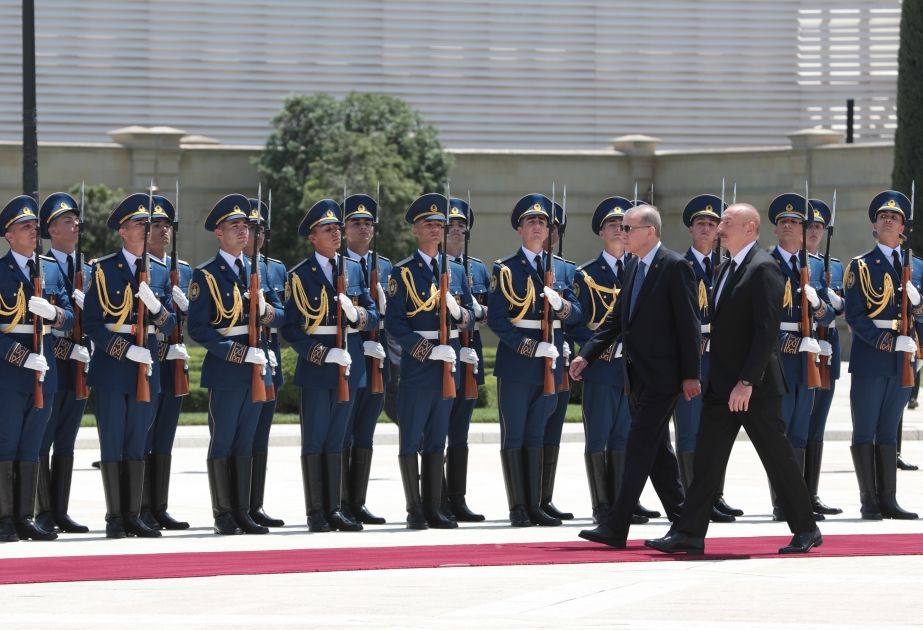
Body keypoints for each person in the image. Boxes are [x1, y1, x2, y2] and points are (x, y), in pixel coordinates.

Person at [644, 203, 823, 555]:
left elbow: (766, 330)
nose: (720, 227)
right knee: (708, 460)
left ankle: (806, 528)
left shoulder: (763, 268)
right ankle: (690, 532)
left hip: (753, 387)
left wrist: (747, 381)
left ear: (750, 229)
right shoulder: (726, 267)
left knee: (777, 458)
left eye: (727, 222)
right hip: (722, 384)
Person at [574, 204, 698, 548]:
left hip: (664, 377)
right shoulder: (633, 266)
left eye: (628, 229)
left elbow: (688, 325)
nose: (622, 234)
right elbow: (616, 319)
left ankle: (616, 526)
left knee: (638, 446)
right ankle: (686, 524)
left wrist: (690, 375)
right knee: (657, 454)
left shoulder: (675, 267)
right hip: (636, 376)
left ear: (650, 232)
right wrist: (587, 355)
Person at [282, 199, 379, 533]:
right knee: (316, 439)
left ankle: (335, 508)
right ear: (313, 237)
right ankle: (316, 511)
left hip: (349, 364)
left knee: (338, 438)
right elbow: (291, 328)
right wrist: (321, 354)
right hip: (318, 365)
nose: (336, 234)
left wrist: (358, 316)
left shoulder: (353, 270)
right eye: (328, 230)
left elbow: (373, 312)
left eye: (338, 228)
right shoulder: (299, 276)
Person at [83, 193, 177, 539]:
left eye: (147, 225)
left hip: (146, 368)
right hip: (112, 369)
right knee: (113, 440)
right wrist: (123, 349)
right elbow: (91, 323)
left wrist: (156, 308)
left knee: (137, 441)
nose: (145, 229)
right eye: (139, 224)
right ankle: (114, 518)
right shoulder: (104, 270)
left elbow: (169, 326)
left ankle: (133, 514)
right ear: (123, 231)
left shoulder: (160, 272)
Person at [187, 194, 282, 535]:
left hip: (257, 367)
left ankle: (243, 511)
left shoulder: (259, 269)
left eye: (245, 226)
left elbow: (281, 314)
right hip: (228, 370)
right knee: (224, 440)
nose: (243, 232)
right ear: (219, 233)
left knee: (246, 442)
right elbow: (198, 327)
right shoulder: (206, 275)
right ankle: (223, 513)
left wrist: (266, 310)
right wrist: (238, 353)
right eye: (234, 226)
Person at [488, 194, 582, 527]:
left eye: (543, 222)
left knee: (538, 434)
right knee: (514, 433)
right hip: (518, 363)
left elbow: (578, 314)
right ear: (520, 229)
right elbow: (498, 320)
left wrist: (562, 306)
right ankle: (518, 507)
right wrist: (529, 347)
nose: (539, 226)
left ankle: (536, 504)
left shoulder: (561, 269)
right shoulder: (505, 269)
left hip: (552, 360)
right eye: (532, 221)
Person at [385, 193, 476, 529]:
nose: (437, 230)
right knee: (411, 438)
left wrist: (459, 313)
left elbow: (469, 316)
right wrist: (424, 349)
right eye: (430, 225)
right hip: (419, 367)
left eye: (441, 225)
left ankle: (435, 507)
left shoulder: (454, 269)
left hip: (448, 364)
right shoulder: (402, 273)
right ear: (415, 231)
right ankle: (415, 510)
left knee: (439, 437)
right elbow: (394, 323)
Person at [0, 195, 75, 542]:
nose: (33, 232)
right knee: (7, 444)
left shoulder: (49, 268)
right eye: (24, 228)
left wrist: (54, 314)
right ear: (8, 235)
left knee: (32, 445)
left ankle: (24, 516)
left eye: (34, 227)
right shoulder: (0, 272)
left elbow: (70, 317)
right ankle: (4, 518)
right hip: (11, 373)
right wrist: (19, 356)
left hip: (45, 369)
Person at [843, 190, 921, 520]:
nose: (889, 220)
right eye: (883, 217)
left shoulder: (917, 267)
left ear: (904, 226)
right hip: (872, 357)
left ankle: (889, 499)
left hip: (905, 360)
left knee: (889, 429)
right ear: (874, 226)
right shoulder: (860, 266)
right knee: (866, 429)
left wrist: (918, 347)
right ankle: (868, 500)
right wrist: (888, 342)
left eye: (895, 217)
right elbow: (855, 316)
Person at [570, 196, 648, 525]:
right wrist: (595, 349)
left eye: (624, 226)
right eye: (613, 226)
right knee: (599, 436)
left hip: (631, 368)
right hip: (601, 367)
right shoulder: (585, 274)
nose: (619, 231)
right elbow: (575, 322)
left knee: (625, 437)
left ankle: (623, 502)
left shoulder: (641, 270)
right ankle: (602, 504)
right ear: (601, 232)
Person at [765, 193, 835, 521]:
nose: (790, 227)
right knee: (779, 431)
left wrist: (821, 307)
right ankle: (782, 502)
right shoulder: (764, 263)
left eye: (796, 222)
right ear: (776, 230)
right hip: (778, 358)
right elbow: (757, 317)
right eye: (784, 222)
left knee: (801, 431)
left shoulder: (816, 264)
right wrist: (789, 343)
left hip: (808, 354)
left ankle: (799, 499)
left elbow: (825, 311)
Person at [672, 194, 740, 523]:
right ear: (690, 229)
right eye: (701, 223)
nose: (706, 228)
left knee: (717, 430)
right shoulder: (678, 266)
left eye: (713, 224)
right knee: (688, 430)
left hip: (721, 359)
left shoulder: (727, 267)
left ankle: (714, 495)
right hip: (693, 360)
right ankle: (691, 498)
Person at [33, 192, 92, 535]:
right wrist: (63, 351)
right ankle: (42, 511)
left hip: (80, 366)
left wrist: (90, 350)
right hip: (54, 364)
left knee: (67, 440)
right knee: (45, 437)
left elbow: (99, 322)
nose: (75, 225)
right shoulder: (42, 266)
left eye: (76, 220)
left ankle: (60, 510)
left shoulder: (89, 268)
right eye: (68, 221)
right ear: (52, 230)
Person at [138, 194, 192, 531]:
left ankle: (159, 505)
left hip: (174, 362)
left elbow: (197, 316)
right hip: (149, 359)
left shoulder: (182, 270)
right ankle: (140, 506)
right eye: (155, 225)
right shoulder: (140, 267)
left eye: (166, 226)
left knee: (164, 438)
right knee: (144, 435)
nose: (162, 231)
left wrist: (186, 308)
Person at [341, 193, 391, 525]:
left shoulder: (384, 266)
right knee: (343, 431)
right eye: (356, 223)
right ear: (344, 229)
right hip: (350, 355)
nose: (363, 228)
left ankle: (358, 501)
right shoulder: (337, 264)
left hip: (379, 356)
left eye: (368, 223)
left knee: (365, 432)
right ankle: (340, 502)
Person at [442, 197, 488, 522]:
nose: (458, 231)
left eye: (462, 226)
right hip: (442, 355)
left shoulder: (479, 268)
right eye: (451, 226)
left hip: (470, 356)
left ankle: (457, 498)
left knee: (460, 432)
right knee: (436, 430)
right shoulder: (434, 266)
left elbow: (492, 311)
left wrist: (477, 312)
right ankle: (434, 497)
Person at [244, 197, 286, 529]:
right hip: (239, 361)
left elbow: (284, 315)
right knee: (236, 437)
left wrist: (265, 312)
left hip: (268, 360)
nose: (256, 235)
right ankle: (236, 505)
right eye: (250, 228)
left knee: (260, 438)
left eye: (261, 230)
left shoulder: (276, 269)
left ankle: (255, 504)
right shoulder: (225, 269)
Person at [804, 198, 844, 516]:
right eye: (810, 226)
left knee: (817, 427)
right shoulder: (794, 263)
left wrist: (834, 305)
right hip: (804, 350)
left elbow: (842, 306)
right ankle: (792, 497)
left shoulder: (836, 267)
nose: (814, 231)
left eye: (818, 227)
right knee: (798, 426)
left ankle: (811, 494)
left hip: (827, 352)